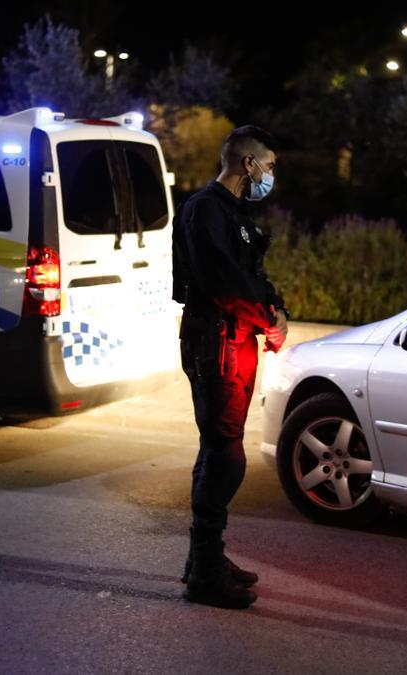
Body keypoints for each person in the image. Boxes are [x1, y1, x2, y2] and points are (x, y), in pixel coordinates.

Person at [171, 125, 288, 609]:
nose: (271, 174)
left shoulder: (235, 214)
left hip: (234, 341)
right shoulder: (205, 211)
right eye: (270, 165)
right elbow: (223, 283)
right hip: (216, 343)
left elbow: (250, 276)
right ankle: (205, 573)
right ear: (248, 164)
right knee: (224, 455)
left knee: (219, 450)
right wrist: (266, 320)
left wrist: (276, 310)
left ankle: (206, 561)